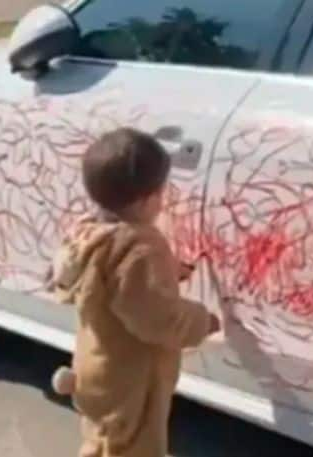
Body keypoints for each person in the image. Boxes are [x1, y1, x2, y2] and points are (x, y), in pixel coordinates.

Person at [47, 127, 220, 457]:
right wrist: (202, 321)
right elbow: (156, 318)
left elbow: (114, 283)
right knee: (134, 449)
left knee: (102, 443)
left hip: (95, 367)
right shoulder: (141, 247)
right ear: (148, 199)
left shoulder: (89, 234)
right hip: (132, 384)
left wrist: (167, 271)